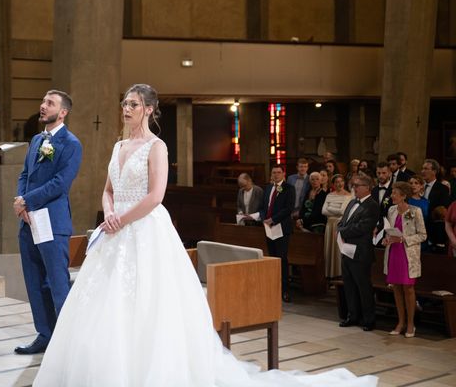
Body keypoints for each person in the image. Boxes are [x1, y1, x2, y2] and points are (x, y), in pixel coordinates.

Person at [33, 84, 377, 386]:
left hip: (143, 230)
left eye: (134, 104)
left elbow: (155, 196)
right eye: (125, 103)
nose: (126, 109)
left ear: (150, 109)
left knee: (149, 304)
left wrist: (121, 219)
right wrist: (108, 212)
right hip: (114, 232)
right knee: (105, 304)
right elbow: (108, 189)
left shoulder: (157, 147)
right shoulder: (116, 146)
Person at [13, 90, 83, 355]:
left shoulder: (71, 144)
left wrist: (27, 201)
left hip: (52, 221)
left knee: (56, 282)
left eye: (50, 103)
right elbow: (24, 174)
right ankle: (45, 334)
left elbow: (60, 184)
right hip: (28, 221)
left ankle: (67, 342)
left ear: (63, 112)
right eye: (43, 101)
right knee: (34, 281)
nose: (43, 106)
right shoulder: (36, 139)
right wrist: (21, 202)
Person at [383, 182, 427, 338]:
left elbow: (422, 235)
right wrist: (387, 239)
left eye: (395, 193)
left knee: (408, 288)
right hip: (394, 252)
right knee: (396, 288)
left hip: (407, 254)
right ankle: (400, 322)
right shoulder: (391, 210)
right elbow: (389, 231)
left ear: (403, 195)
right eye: (392, 193)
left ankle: (410, 323)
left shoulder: (415, 211)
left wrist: (404, 239)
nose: (392, 196)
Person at [337, 172, 379, 331]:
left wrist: (343, 231)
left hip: (361, 252)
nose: (354, 188)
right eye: (353, 185)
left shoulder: (372, 205)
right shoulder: (351, 202)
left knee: (363, 287)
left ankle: (369, 319)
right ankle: (352, 315)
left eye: (357, 185)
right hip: (347, 250)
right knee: (349, 285)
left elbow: (363, 227)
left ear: (367, 187)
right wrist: (340, 228)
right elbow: (343, 221)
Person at [260, 164, 296, 303]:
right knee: (272, 258)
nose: (276, 175)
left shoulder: (288, 188)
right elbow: (263, 206)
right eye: (274, 172)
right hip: (268, 228)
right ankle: (273, 288)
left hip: (281, 228)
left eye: (278, 172)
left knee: (281, 259)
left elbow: (288, 208)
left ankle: (285, 290)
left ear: (283, 174)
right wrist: (264, 218)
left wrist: (273, 219)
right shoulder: (268, 187)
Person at [322, 174, 353, 278]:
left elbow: (343, 211)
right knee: (329, 249)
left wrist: (330, 207)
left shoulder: (349, 196)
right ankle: (329, 274)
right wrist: (336, 210)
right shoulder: (329, 195)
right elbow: (323, 211)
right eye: (337, 182)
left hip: (340, 225)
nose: (339, 184)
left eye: (341, 181)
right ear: (333, 184)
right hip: (329, 225)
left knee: (339, 250)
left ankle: (340, 274)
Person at [421, 158, 451, 250]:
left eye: (426, 169)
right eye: (422, 168)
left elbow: (442, 211)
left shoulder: (442, 189)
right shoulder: (418, 186)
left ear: (434, 171)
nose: (422, 171)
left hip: (432, 230)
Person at [371, 161, 392, 234]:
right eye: (378, 173)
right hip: (372, 229)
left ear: (389, 173)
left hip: (388, 229)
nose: (380, 176)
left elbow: (392, 214)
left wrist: (379, 227)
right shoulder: (373, 190)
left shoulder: (394, 190)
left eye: (384, 173)